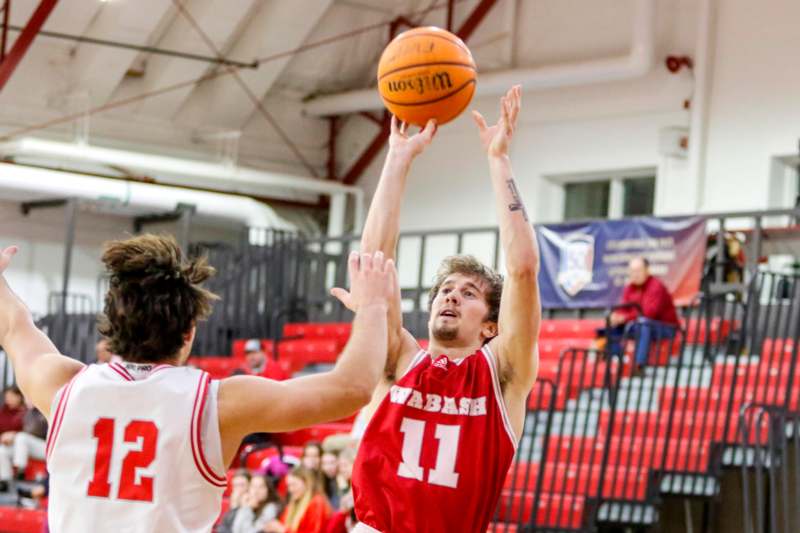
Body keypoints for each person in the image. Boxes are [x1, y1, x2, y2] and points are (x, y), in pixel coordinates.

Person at [0, 234, 397, 532]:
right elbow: (353, 389)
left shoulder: (63, 386)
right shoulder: (217, 402)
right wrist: (375, 305)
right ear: (189, 332)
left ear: (111, 326)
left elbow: (15, 325)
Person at [334, 86, 540, 533]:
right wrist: (397, 160)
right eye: (446, 289)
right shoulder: (401, 359)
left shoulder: (503, 374)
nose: (450, 296)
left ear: (490, 326)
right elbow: (375, 263)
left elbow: (523, 268)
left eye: (468, 293)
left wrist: (498, 160)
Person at [605, 257, 680, 370]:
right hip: (639, 324)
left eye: (638, 271)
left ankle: (639, 365)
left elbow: (649, 313)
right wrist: (616, 317)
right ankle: (616, 360)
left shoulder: (656, 286)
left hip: (666, 328)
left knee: (644, 324)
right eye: (632, 271)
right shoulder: (630, 287)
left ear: (647, 270)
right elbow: (624, 309)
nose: (635, 275)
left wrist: (624, 318)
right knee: (613, 326)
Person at [265, 466, 331, 533]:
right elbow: (283, 523)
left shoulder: (317, 502)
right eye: (289, 485)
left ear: (306, 483)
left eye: (294, 484)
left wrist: (282, 530)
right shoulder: (294, 502)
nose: (290, 490)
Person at [0, 385, 25, 491]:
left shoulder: (26, 411)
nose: (8, 400)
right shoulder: (3, 411)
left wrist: (13, 435)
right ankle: (6, 481)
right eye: (6, 397)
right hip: (7, 445)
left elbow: (30, 430)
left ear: (19, 397)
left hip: (23, 446)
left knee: (21, 438)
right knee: (1, 451)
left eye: (11, 396)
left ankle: (20, 471)